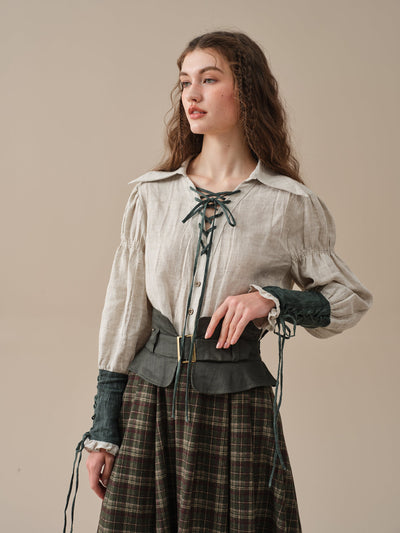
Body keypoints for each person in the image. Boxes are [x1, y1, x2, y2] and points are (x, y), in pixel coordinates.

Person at [64, 30, 373, 533]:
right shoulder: (152, 195)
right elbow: (124, 317)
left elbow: (348, 299)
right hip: (149, 403)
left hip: (237, 405)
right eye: (185, 81)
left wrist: (271, 300)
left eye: (209, 79)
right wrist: (103, 428)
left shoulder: (288, 203)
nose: (191, 94)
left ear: (246, 91)